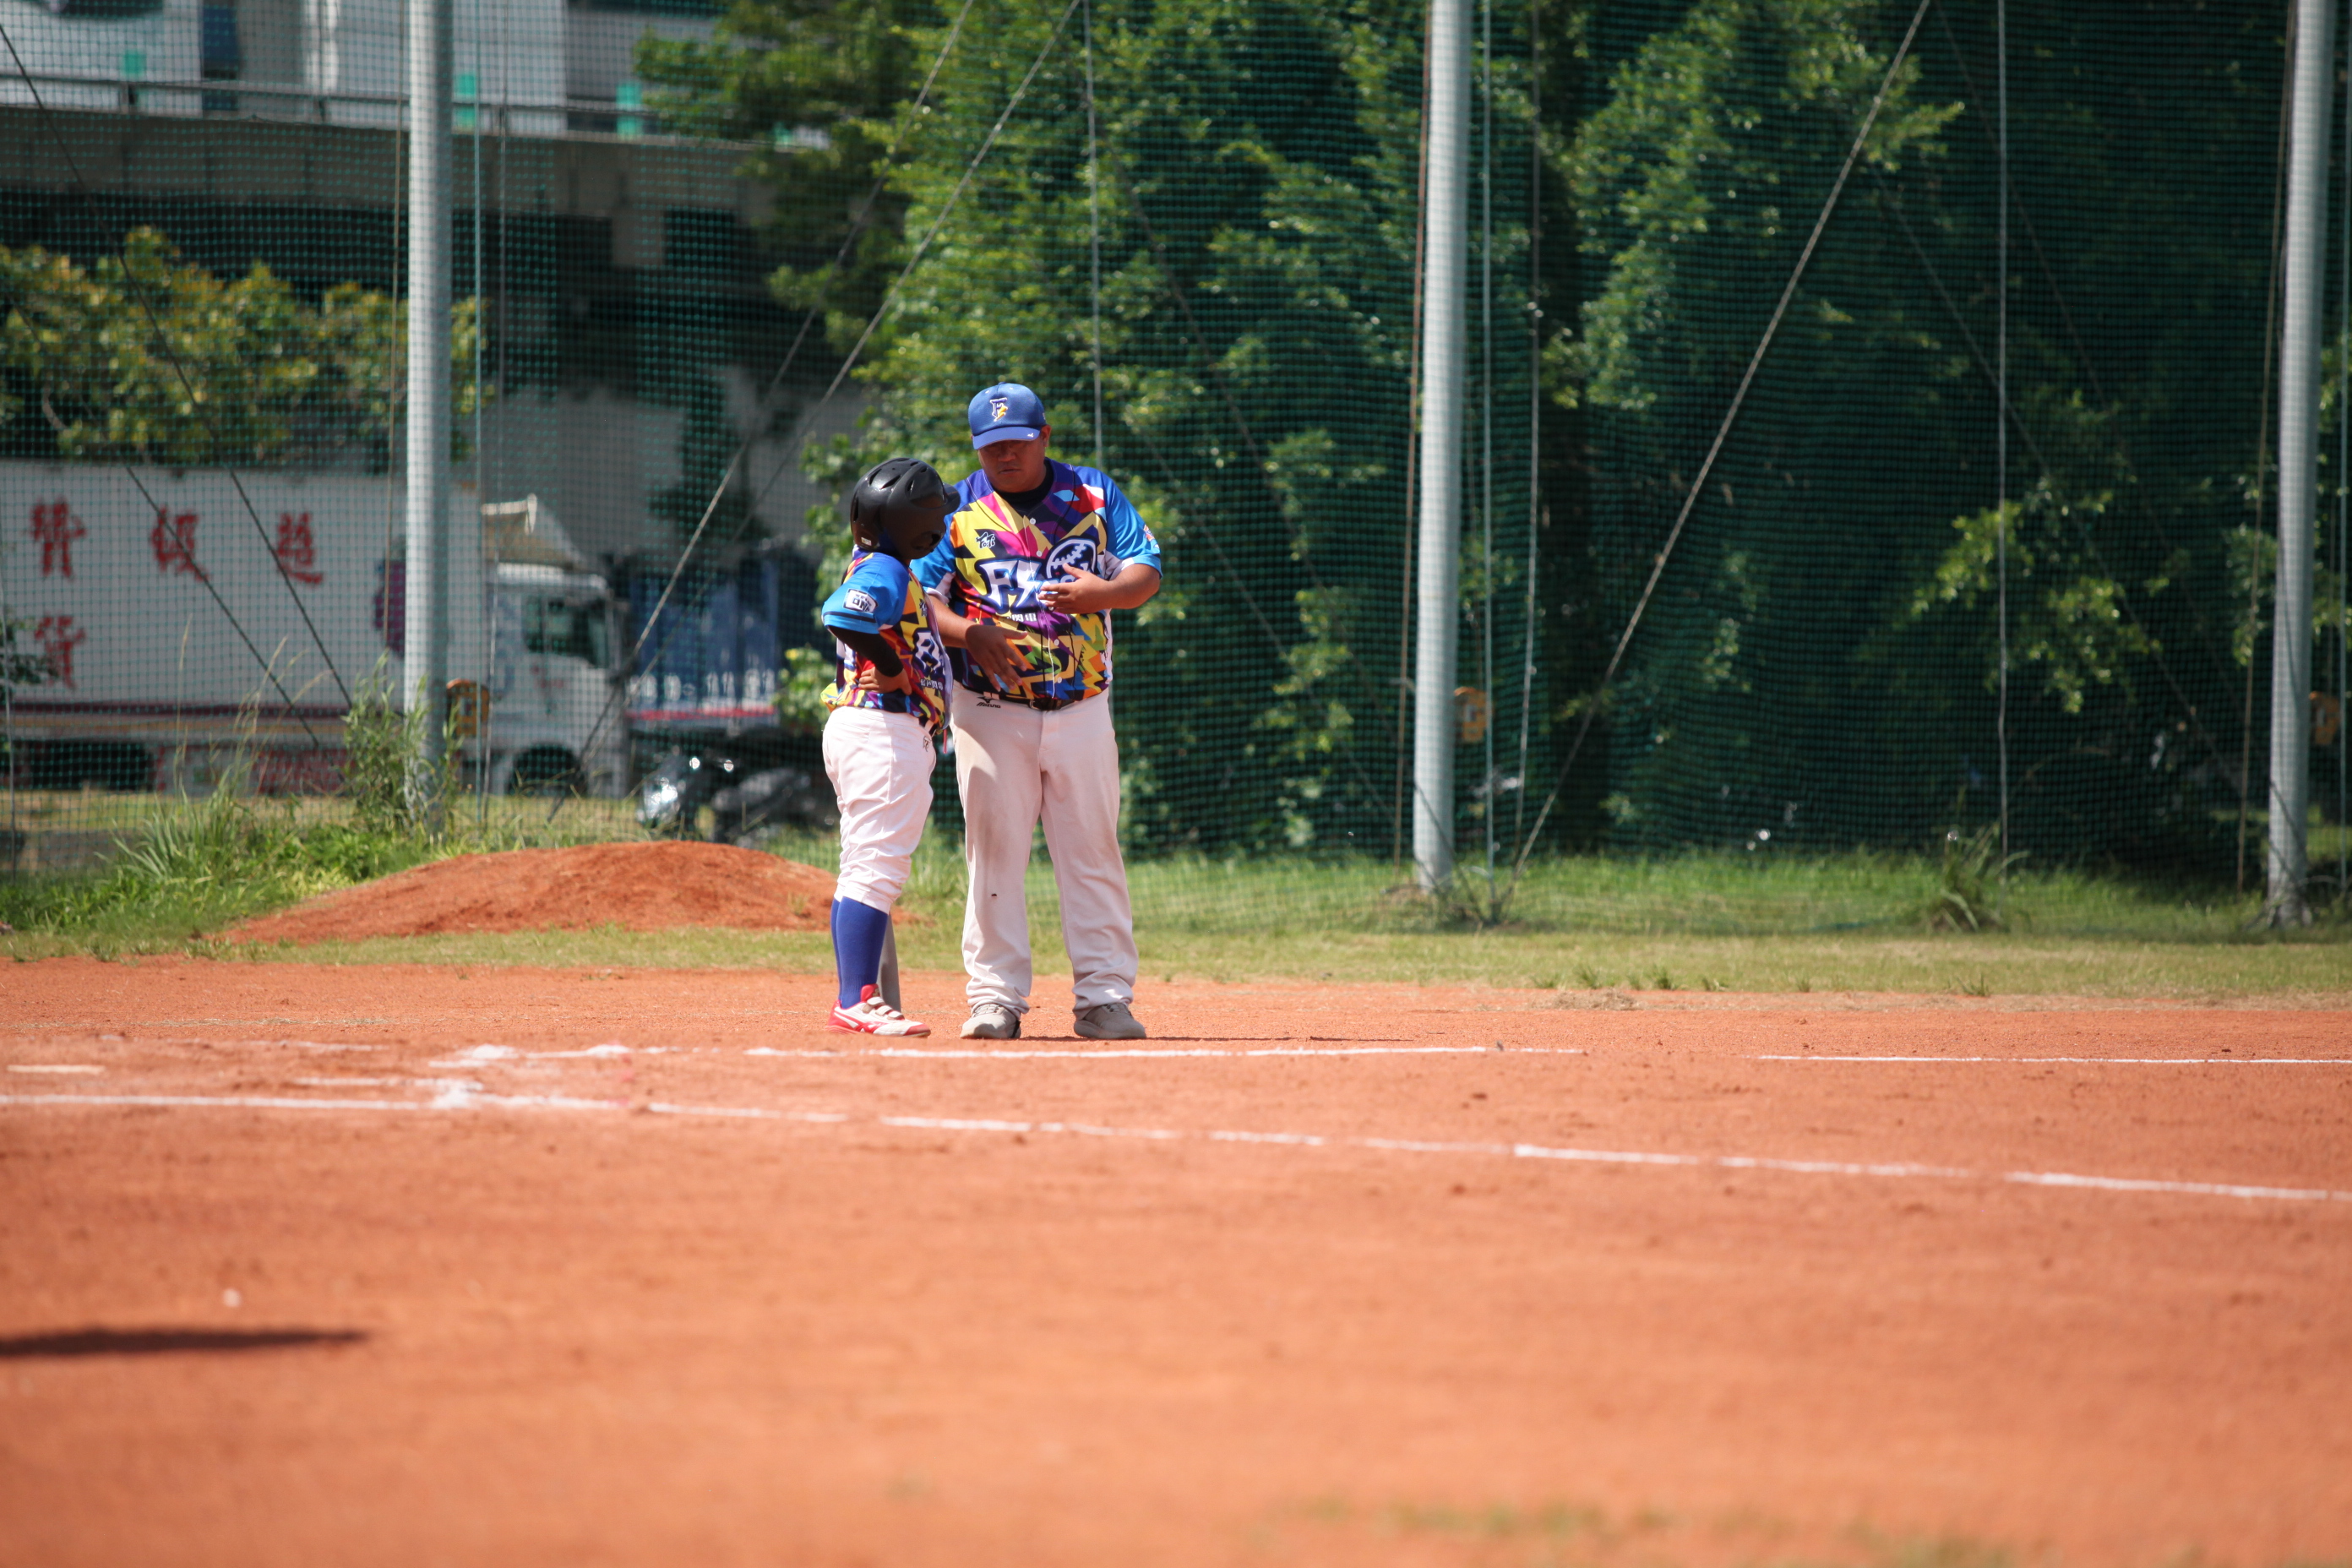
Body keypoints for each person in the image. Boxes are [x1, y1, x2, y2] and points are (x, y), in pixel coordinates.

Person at [917, 383, 1162, 1041]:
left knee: (1092, 852)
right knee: (994, 855)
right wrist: (969, 633)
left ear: (1044, 437)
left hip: (1083, 705)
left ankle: (1104, 998)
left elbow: (1146, 571)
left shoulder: (1092, 494)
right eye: (991, 446)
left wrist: (1103, 593)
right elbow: (922, 598)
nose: (1005, 456)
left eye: (1017, 443)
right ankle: (994, 1000)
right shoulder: (955, 509)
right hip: (990, 710)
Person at [818, 457, 954, 1035]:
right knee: (874, 867)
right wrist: (893, 668)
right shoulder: (886, 568)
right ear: (917, 527)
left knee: (865, 866)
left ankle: (857, 996)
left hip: (870, 729)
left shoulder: (876, 561)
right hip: (884, 730)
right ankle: (856, 1000)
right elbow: (842, 615)